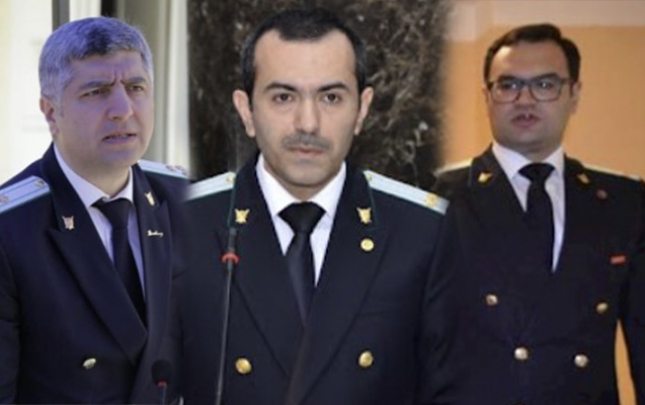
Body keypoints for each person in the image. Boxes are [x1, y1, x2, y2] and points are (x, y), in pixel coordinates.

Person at [179, 7, 454, 405]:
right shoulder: (180, 229)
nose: (308, 123)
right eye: (283, 97)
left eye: (330, 97)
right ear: (246, 110)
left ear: (361, 109)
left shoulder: (424, 235)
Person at [433, 23, 645, 405]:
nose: (525, 99)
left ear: (574, 94)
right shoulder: (435, 197)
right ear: (487, 96)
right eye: (508, 85)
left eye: (545, 84)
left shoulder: (624, 202)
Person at [0, 17, 185, 403]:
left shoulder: (186, 203)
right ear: (51, 113)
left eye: (136, 88)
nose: (123, 110)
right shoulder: (11, 229)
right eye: (97, 91)